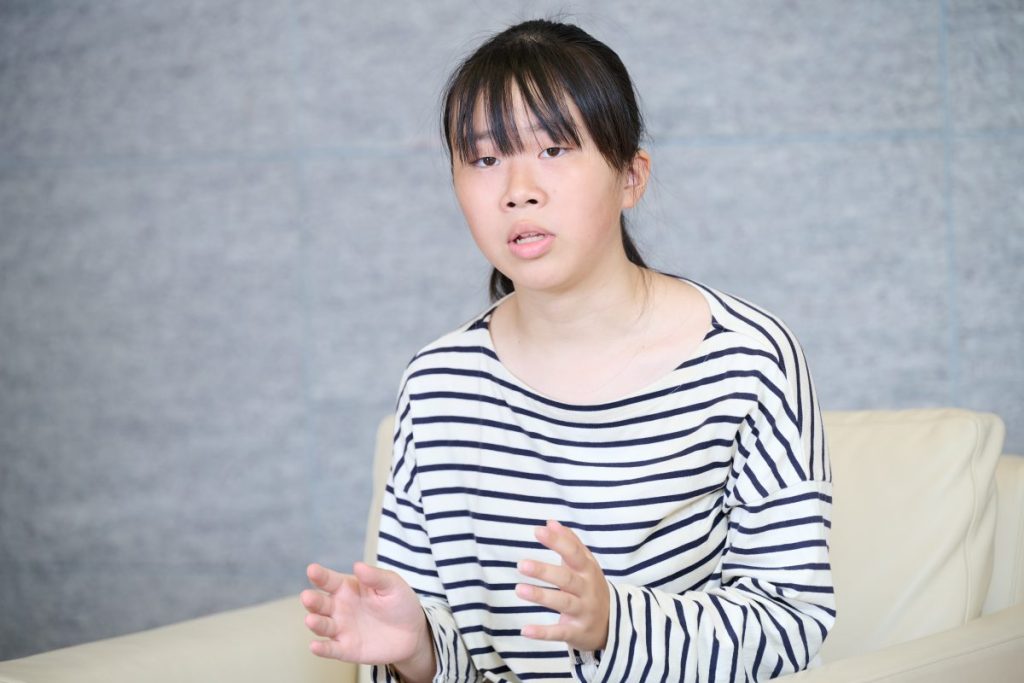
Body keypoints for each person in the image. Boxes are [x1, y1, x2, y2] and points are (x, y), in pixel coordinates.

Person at [301, 17, 835, 683]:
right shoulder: (440, 383)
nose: (518, 189)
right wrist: (418, 651)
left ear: (630, 177)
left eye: (553, 149)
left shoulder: (746, 359)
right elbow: (449, 641)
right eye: (485, 160)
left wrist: (614, 621)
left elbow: (791, 621)